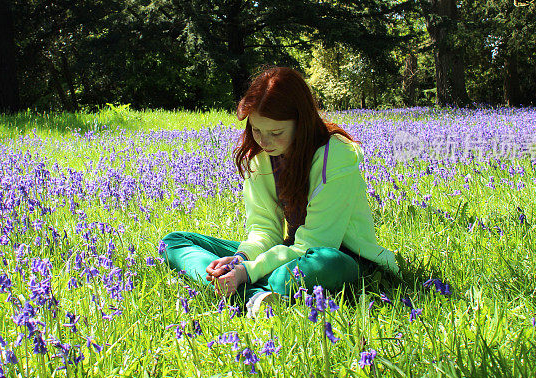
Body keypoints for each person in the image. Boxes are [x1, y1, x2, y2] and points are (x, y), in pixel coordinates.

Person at [160, 66, 400, 314]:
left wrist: (249, 271)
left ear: (302, 122)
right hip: (288, 252)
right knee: (174, 242)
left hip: (340, 258)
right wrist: (240, 259)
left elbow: (316, 243)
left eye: (276, 132)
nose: (264, 141)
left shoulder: (336, 155)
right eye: (256, 130)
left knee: (314, 267)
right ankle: (255, 297)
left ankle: (244, 290)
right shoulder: (261, 157)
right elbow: (264, 229)